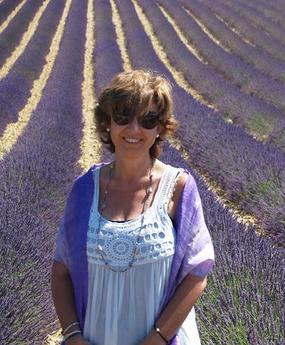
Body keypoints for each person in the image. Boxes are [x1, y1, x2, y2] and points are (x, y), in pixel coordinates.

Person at [51, 70, 215, 345]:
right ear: (107, 124)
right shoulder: (84, 190)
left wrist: (158, 338)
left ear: (160, 127)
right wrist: (73, 335)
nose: (134, 129)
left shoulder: (178, 188)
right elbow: (61, 271)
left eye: (148, 120)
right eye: (123, 117)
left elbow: (197, 274)